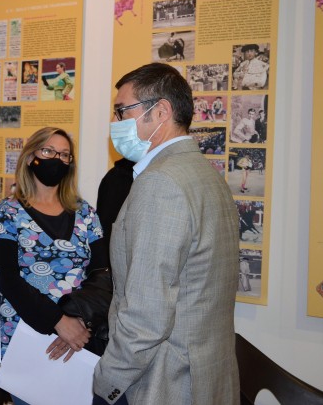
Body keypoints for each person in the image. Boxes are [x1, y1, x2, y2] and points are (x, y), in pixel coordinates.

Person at [93, 63, 240, 405]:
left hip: (165, 381)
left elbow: (147, 315)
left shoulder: (161, 183)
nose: (116, 123)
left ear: (160, 112)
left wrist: (107, 381)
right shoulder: (206, 175)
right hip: (205, 374)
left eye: (122, 111)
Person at [0, 127, 108, 404]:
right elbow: (7, 278)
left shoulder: (86, 213)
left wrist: (79, 323)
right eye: (48, 151)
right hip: (25, 341)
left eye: (64, 154)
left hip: (79, 337)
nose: (57, 158)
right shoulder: (6, 213)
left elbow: (102, 275)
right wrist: (58, 322)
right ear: (31, 157)